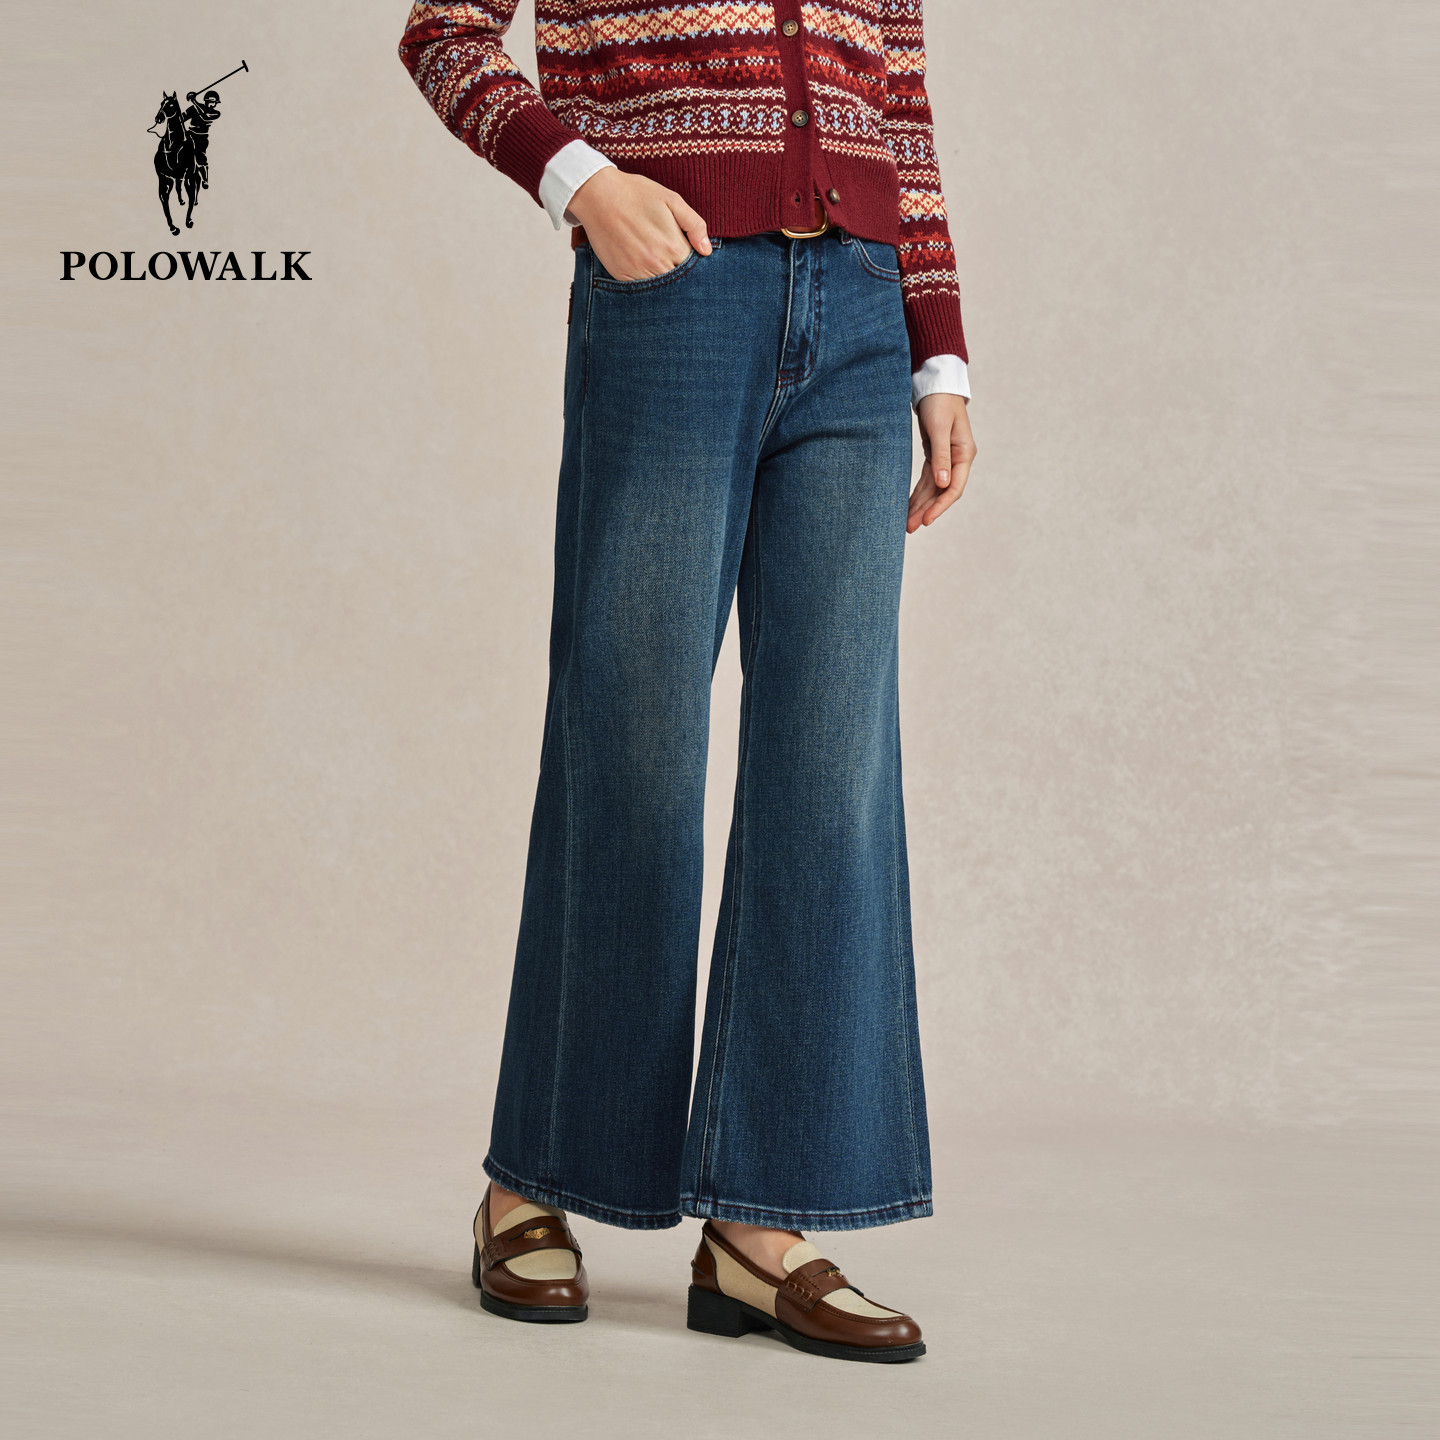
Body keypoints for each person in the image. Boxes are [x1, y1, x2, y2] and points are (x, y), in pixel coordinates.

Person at [398, 1, 977, 1363]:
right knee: (633, 743)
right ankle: (532, 1183)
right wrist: (578, 180)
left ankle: (760, 1231)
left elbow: (898, 103)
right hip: (676, 296)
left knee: (830, 773)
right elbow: (444, 32)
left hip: (859, 308)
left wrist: (939, 344)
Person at [182, 89, 220, 189]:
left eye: (215, 102)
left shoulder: (215, 113)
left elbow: (204, 116)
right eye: (211, 102)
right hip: (190, 134)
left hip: (201, 138)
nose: (213, 104)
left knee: (200, 157)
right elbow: (182, 118)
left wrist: (194, 101)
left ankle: (204, 179)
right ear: (206, 101)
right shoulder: (194, 108)